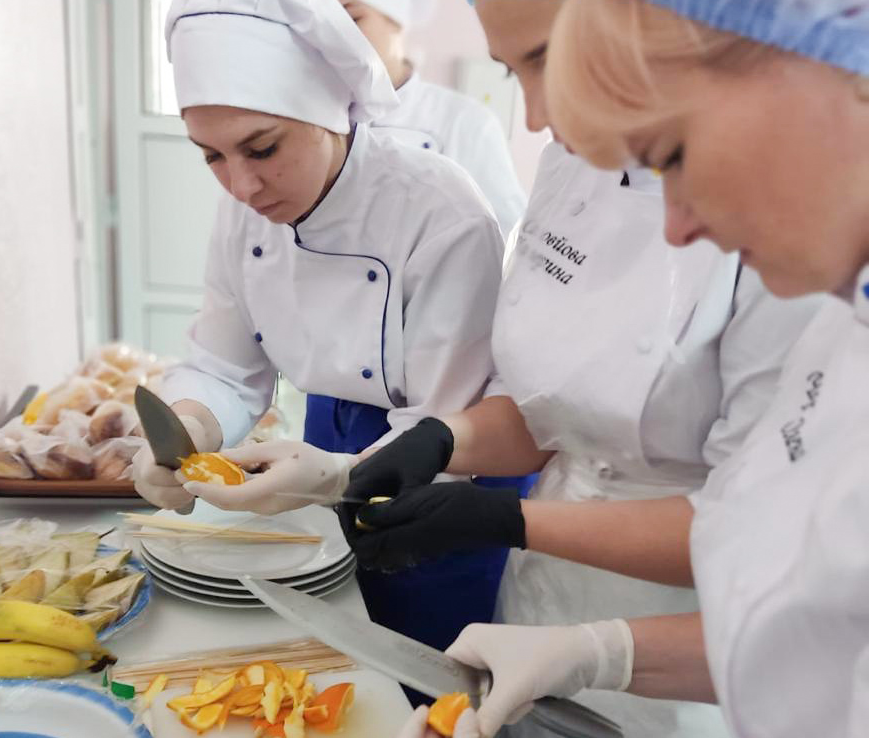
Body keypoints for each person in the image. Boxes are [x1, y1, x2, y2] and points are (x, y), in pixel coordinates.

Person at [189, 1, 822, 735]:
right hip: (537, 609)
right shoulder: (569, 166)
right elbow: (554, 407)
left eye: (547, 59)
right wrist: (424, 446)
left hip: (689, 647)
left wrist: (509, 519)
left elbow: (757, 534)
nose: (537, 116)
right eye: (513, 71)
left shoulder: (803, 239)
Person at [400, 0, 869, 736]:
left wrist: (512, 527)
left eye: (674, 155)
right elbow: (790, 615)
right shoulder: (843, 330)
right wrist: (594, 654)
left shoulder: (808, 300)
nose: (678, 227)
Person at [131, 0, 511, 698]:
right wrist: (186, 428)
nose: (240, 185)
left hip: (448, 480)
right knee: (335, 676)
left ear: (330, 108)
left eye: (263, 149)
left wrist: (339, 476)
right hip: (326, 434)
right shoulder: (243, 213)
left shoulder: (442, 212)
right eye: (211, 155)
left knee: (427, 690)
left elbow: (447, 428)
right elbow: (225, 366)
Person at [336, 0, 527, 238]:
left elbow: (509, 235)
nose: (335, 38)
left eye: (353, 20)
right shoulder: (313, 121)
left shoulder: (466, 121)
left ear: (396, 21)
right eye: (326, 24)